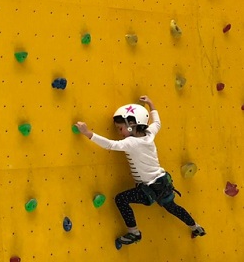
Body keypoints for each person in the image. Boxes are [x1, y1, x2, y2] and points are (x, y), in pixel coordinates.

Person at [75, 95, 205, 246]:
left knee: (121, 199)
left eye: (120, 128)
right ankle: (196, 227)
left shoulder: (131, 142)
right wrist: (151, 104)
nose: (119, 132)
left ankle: (134, 233)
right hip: (163, 182)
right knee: (173, 207)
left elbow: (110, 145)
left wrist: (87, 133)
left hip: (149, 188)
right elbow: (157, 123)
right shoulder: (149, 134)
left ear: (131, 124)